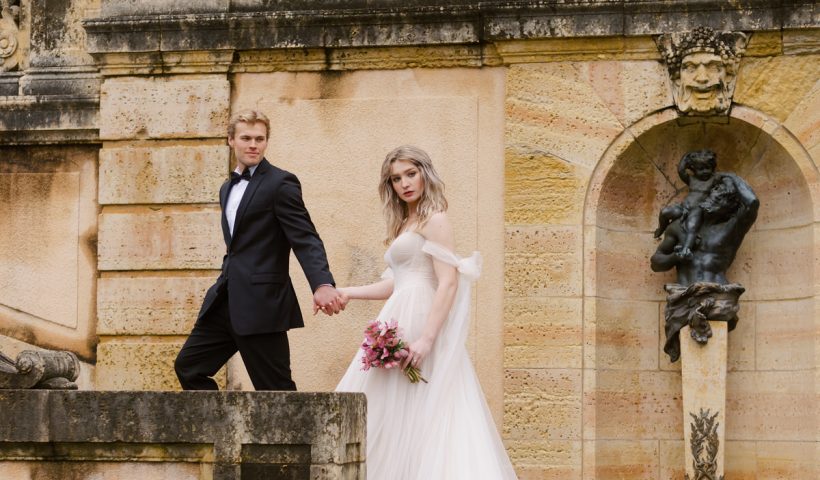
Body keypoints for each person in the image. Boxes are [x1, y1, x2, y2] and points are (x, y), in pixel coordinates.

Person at [333, 145, 518, 479]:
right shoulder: (406, 223)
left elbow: (447, 283)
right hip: (398, 318)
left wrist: (426, 340)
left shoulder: (436, 219)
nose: (404, 183)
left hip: (421, 325)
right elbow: (396, 283)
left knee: (427, 409)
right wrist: (348, 292)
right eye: (395, 179)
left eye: (410, 174)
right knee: (388, 411)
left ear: (424, 173)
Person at [175, 109, 344, 391]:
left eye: (260, 139)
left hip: (262, 305)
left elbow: (305, 237)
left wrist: (322, 283)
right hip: (225, 301)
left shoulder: (281, 183)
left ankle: (292, 436)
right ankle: (226, 431)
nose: (253, 144)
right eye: (246, 138)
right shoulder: (226, 188)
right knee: (188, 368)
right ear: (231, 140)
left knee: (276, 391)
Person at [654, 150, 724, 261]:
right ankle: (661, 228)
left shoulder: (713, 179)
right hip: (684, 207)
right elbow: (681, 170)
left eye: (707, 168)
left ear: (713, 168)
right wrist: (686, 156)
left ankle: (686, 248)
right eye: (701, 169)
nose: (705, 171)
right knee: (665, 212)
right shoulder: (692, 179)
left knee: (692, 226)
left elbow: (725, 177)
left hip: (697, 209)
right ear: (694, 169)